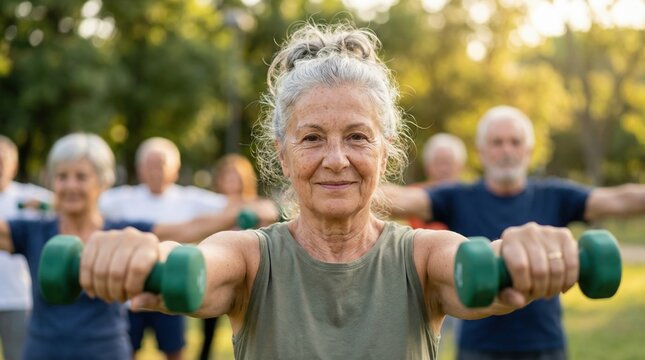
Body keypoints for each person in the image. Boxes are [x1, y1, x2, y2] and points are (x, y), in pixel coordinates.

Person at [70, 24, 595, 360]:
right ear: (282, 154)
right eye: (313, 138)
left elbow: (484, 278)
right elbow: (194, 270)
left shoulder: (422, 255)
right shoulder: (251, 257)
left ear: (385, 152)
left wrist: (524, 253)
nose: (336, 159)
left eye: (358, 138)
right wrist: (143, 254)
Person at [383, 105, 645, 360]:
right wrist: (347, 187)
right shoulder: (456, 197)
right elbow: (401, 198)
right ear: (482, 152)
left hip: (544, 344)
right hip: (478, 346)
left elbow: (618, 199)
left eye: (515, 142)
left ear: (529, 151)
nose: (506, 150)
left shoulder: (555, 196)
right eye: (497, 143)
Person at [0, 133, 278, 360]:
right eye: (62, 177)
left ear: (102, 182)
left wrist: (249, 210)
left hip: (104, 351)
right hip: (43, 351)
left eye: (81, 177)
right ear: (52, 182)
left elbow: (186, 229)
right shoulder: (32, 230)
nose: (70, 185)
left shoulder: (122, 232)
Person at [100, 137, 230, 360]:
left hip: (171, 289)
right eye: (149, 165)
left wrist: (260, 209)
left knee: (175, 352)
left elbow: (231, 206)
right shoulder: (123, 198)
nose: (155, 171)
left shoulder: (189, 198)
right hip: (131, 292)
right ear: (140, 169)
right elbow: (84, 202)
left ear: (174, 169)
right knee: (125, 352)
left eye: (161, 164)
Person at [199, 154, 259, 360]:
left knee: (248, 328)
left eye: (237, 177)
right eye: (228, 177)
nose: (233, 182)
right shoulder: (213, 205)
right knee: (208, 330)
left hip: (247, 274)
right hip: (218, 270)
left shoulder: (254, 205)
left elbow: (269, 215)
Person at [0, 135, 53, 360]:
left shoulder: (29, 196)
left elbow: (71, 206)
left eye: (3, 160)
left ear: (15, 165)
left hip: (17, 297)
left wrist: (44, 205)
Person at [408, 133, 467, 230]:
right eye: (438, 162)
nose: (443, 169)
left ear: (460, 166)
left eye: (448, 163)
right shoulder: (415, 194)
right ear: (427, 166)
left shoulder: (468, 196)